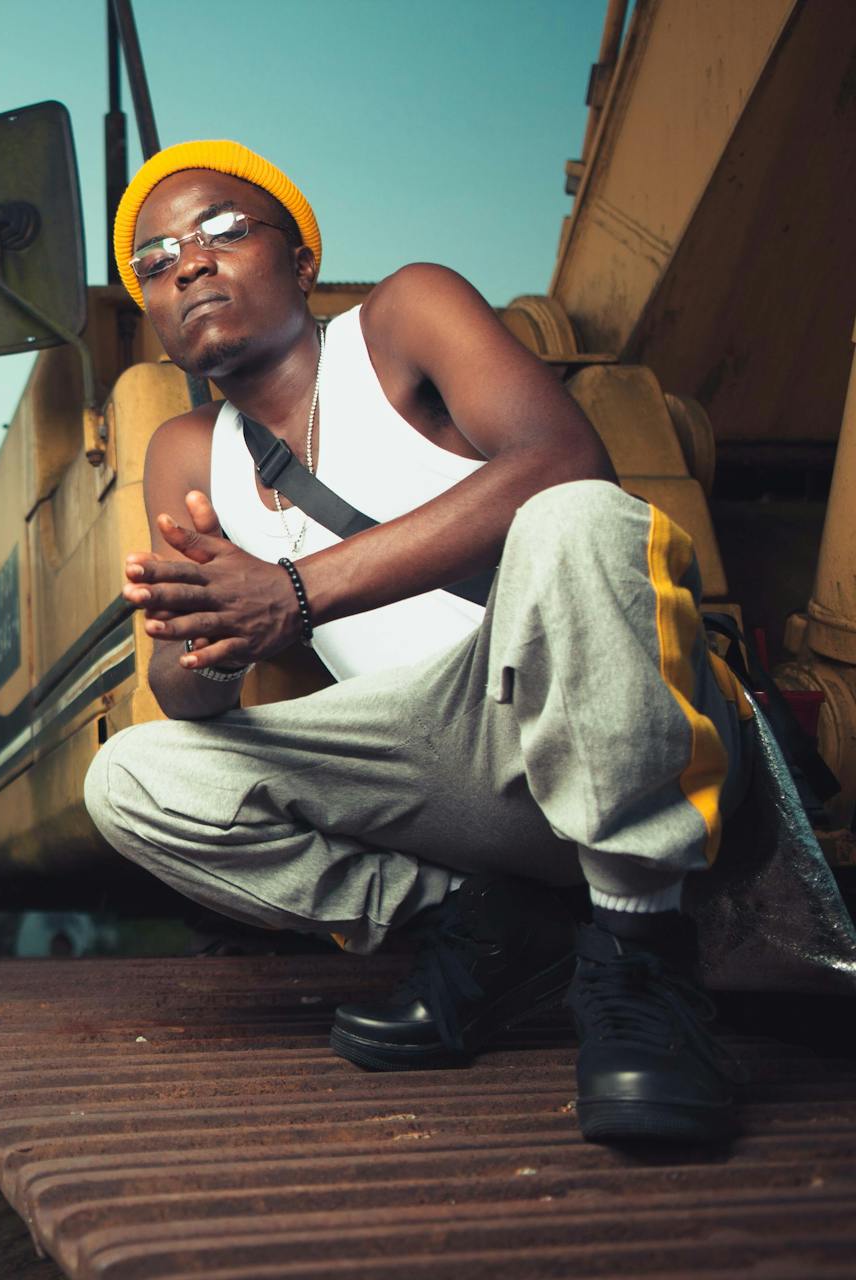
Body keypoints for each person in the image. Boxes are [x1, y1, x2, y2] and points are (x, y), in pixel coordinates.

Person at [81, 140, 754, 1144]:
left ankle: (642, 953)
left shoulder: (402, 318)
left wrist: (293, 593)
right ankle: (484, 931)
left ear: (301, 259)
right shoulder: (187, 451)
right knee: (129, 776)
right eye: (155, 258)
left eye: (223, 228)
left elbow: (566, 458)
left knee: (579, 518)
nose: (188, 262)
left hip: (610, 714)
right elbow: (185, 696)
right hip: (452, 771)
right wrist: (200, 643)